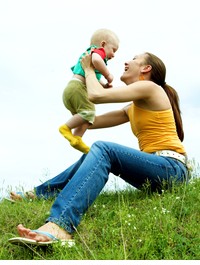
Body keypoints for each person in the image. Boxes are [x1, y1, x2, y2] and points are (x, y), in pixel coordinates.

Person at [9, 52, 189, 246]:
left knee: (103, 149)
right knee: (94, 154)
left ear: (146, 68)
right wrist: (76, 105)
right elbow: (91, 121)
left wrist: (88, 69)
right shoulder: (132, 107)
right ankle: (39, 194)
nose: (127, 61)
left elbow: (96, 95)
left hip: (171, 168)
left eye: (135, 59)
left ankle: (60, 226)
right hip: (153, 173)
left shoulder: (150, 88)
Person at [59, 28, 119, 154]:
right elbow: (97, 61)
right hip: (78, 88)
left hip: (72, 89)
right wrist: (108, 75)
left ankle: (76, 139)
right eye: (113, 50)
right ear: (103, 44)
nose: (113, 54)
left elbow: (90, 75)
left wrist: (103, 84)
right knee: (89, 112)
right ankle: (66, 128)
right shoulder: (97, 51)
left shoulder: (87, 55)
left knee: (87, 118)